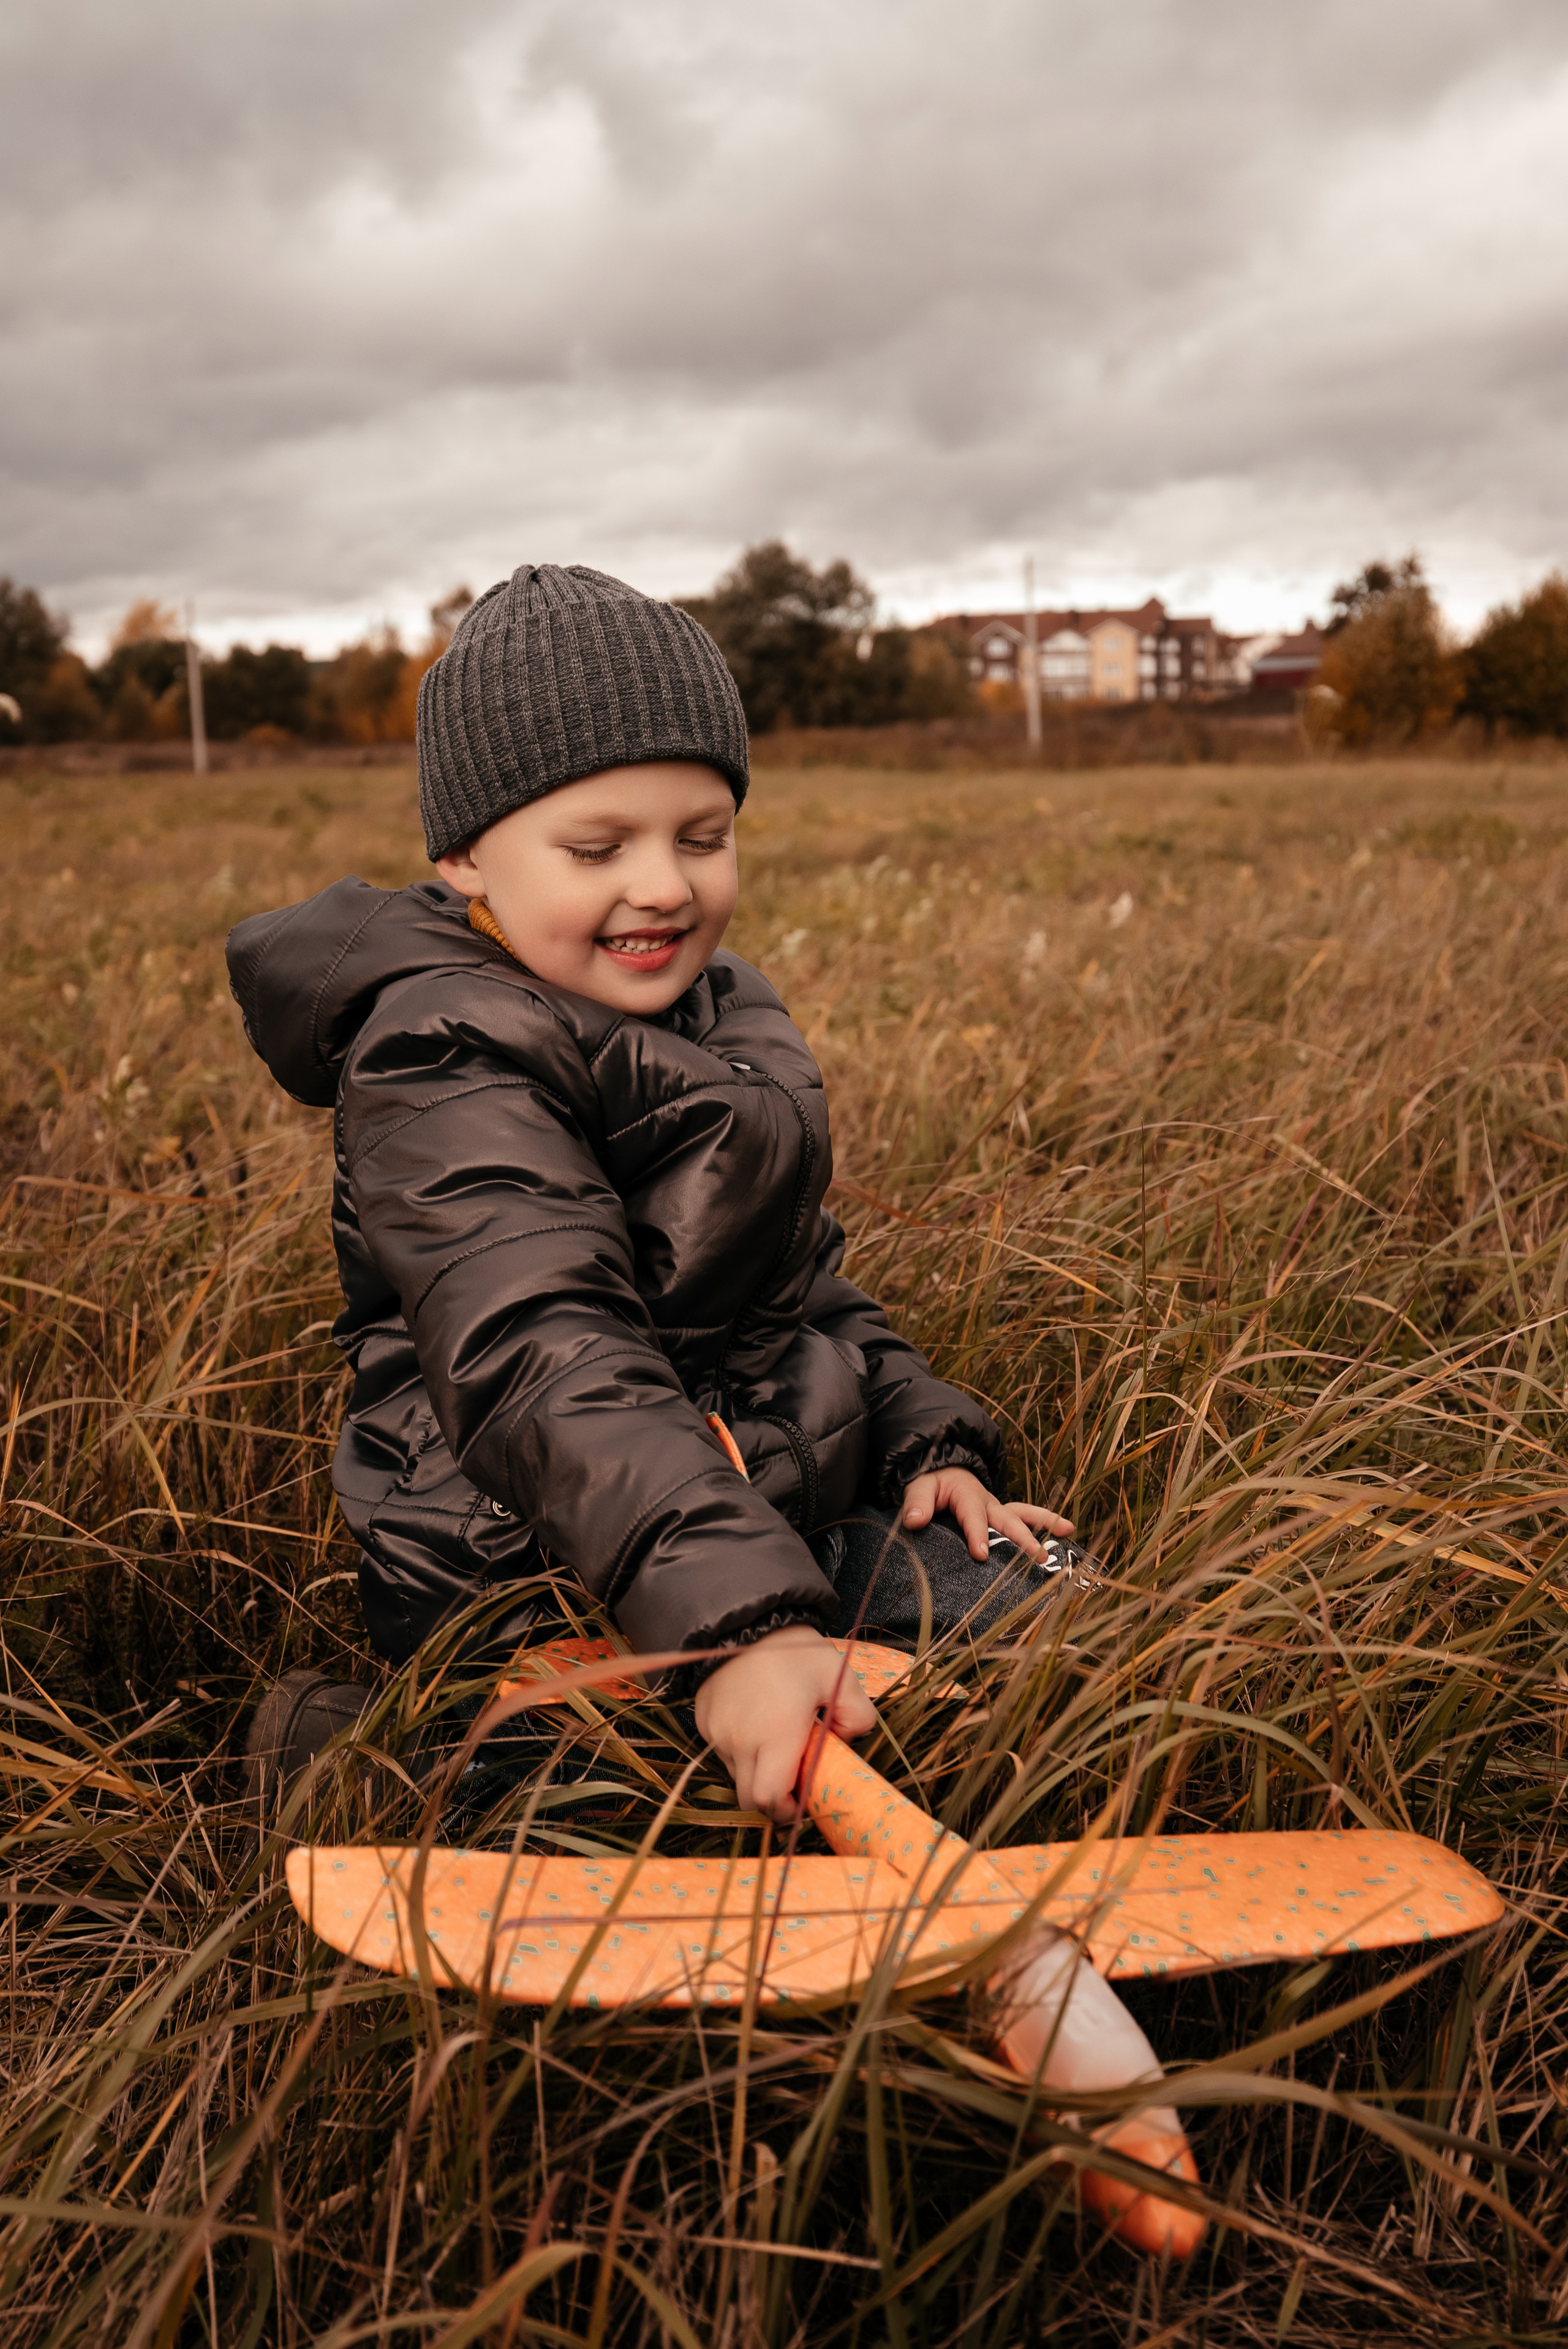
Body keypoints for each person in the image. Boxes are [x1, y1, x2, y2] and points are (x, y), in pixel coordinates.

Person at [229, 563, 1082, 1821]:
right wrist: (744, 1629)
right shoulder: (438, 1052)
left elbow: (798, 1284)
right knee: (644, 1812)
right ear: (466, 855)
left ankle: (788, 1684)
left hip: (752, 1519)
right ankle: (373, 1760)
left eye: (702, 837)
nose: (667, 886)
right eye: (598, 848)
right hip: (538, 1557)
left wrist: (927, 1443)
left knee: (1057, 1618)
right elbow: (540, 1353)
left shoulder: (714, 1010)